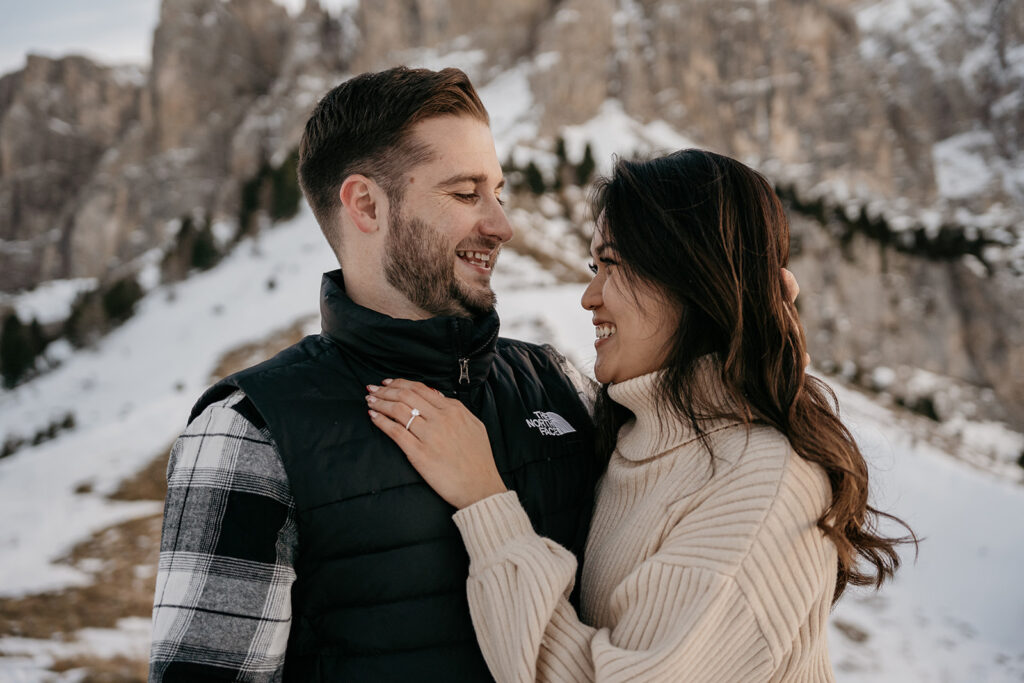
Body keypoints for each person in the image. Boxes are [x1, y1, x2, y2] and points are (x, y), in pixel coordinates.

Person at [367, 149, 916, 682]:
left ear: (692, 279)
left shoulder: (761, 484)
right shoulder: (641, 431)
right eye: (593, 265)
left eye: (612, 265)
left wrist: (484, 500)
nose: (589, 296)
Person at [148, 66, 600, 681]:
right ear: (366, 204)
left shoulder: (562, 385)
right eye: (466, 194)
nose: (501, 225)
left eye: (499, 192)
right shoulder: (248, 430)